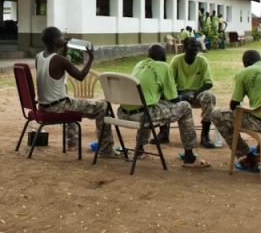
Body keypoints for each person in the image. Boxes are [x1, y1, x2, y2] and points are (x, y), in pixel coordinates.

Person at [117, 44, 210, 168]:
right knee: (185, 107)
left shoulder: (139, 64)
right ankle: (189, 157)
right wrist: (183, 97)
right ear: (164, 56)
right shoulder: (164, 66)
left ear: (148, 56)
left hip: (122, 113)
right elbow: (174, 99)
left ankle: (139, 149)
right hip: (142, 115)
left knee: (148, 105)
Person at [35, 27, 114, 155]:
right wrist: (91, 59)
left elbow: (59, 67)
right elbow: (81, 76)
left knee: (71, 101)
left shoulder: (39, 57)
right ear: (56, 40)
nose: (64, 39)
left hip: (43, 105)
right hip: (59, 106)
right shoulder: (60, 60)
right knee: (103, 107)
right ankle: (106, 148)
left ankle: (72, 143)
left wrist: (64, 49)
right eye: (61, 37)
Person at [169, 38, 217, 148]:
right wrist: (179, 95)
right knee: (163, 95)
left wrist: (193, 95)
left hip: (196, 94)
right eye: (192, 46)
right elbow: (169, 81)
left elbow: (208, 83)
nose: (196, 48)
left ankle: (205, 136)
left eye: (197, 46)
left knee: (210, 96)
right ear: (185, 48)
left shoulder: (202, 61)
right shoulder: (177, 60)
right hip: (180, 93)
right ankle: (163, 133)